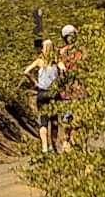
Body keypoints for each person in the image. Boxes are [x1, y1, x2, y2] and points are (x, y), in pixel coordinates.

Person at [22, 39, 65, 154]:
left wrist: (34, 83)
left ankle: (44, 147)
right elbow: (63, 68)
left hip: (42, 93)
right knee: (54, 121)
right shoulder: (56, 61)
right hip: (54, 93)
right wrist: (60, 78)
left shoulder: (39, 61)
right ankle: (53, 146)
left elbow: (26, 71)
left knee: (43, 121)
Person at [56, 24, 85, 154]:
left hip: (67, 91)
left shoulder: (62, 53)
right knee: (77, 116)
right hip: (77, 90)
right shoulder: (80, 52)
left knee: (68, 116)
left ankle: (68, 141)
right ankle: (73, 142)